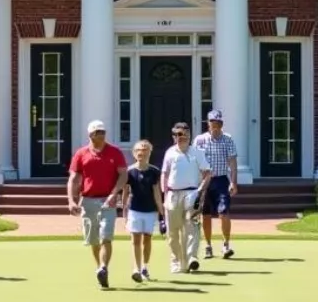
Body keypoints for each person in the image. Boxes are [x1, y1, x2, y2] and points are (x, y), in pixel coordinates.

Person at [67, 120, 128, 289]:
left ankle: (104, 267)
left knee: (106, 237)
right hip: (87, 201)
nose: (101, 135)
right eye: (97, 132)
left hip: (108, 201)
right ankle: (99, 268)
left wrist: (113, 194)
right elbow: (73, 179)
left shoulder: (115, 152)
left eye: (103, 132)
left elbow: (123, 175)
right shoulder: (81, 154)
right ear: (90, 135)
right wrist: (71, 200)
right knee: (94, 240)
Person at [160, 122, 211, 274]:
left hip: (192, 193)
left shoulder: (197, 152)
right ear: (174, 137)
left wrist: (200, 191)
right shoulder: (170, 152)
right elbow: (165, 173)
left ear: (189, 135)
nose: (181, 138)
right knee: (173, 231)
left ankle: (192, 259)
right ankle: (176, 262)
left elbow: (208, 173)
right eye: (178, 135)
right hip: (173, 194)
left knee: (192, 227)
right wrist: (164, 193)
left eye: (184, 135)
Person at [194, 107, 239, 260]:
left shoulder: (228, 139)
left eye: (218, 123)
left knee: (223, 212)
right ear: (208, 123)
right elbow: (195, 162)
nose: (215, 126)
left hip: (221, 180)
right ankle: (208, 245)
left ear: (221, 124)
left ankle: (226, 244)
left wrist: (233, 182)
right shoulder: (200, 140)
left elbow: (232, 162)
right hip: (205, 181)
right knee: (205, 215)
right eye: (213, 122)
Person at [122, 138, 165, 283]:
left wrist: (161, 211)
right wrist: (124, 211)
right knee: (135, 240)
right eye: (139, 150)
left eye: (145, 149)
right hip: (134, 209)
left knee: (147, 239)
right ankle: (136, 269)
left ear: (149, 153)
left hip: (150, 210)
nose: (142, 152)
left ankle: (145, 267)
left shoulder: (154, 171)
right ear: (134, 153)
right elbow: (125, 192)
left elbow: (157, 192)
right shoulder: (129, 171)